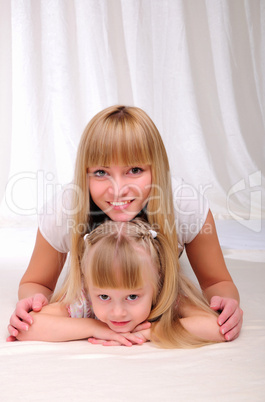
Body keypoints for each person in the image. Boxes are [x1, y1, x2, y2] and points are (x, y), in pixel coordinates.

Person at [7, 105, 243, 342]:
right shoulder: (65, 209)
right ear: (85, 173)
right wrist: (33, 302)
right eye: (101, 172)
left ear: (156, 169)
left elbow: (217, 282)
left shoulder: (184, 204)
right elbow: (35, 282)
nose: (118, 190)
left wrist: (225, 306)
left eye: (135, 170)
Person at [16, 219, 225, 347]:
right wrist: (95, 327)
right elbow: (27, 328)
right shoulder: (84, 299)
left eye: (132, 296)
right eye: (104, 296)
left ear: (157, 285)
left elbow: (215, 327)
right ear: (88, 287)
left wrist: (151, 331)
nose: (117, 312)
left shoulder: (165, 295)